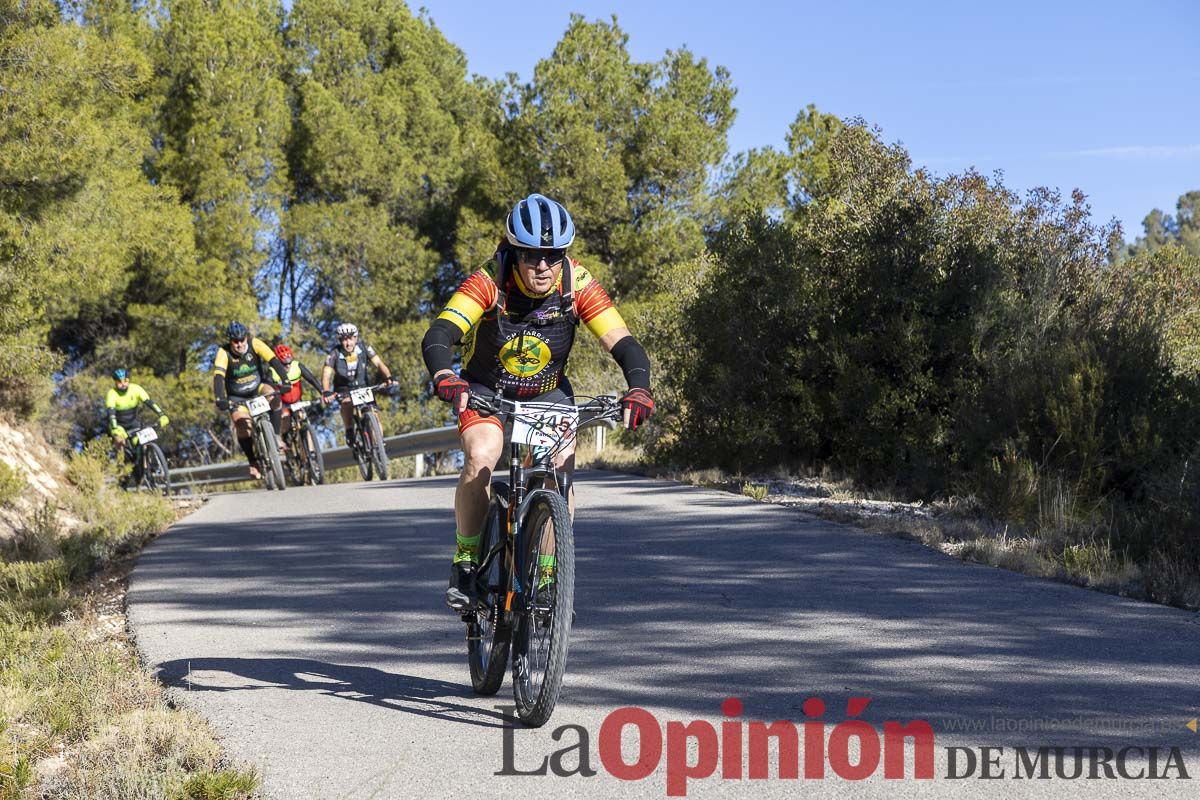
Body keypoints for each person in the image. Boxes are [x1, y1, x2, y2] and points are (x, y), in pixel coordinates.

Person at [421, 193, 655, 610]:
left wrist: (638, 386)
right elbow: (440, 334)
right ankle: (466, 562)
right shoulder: (489, 281)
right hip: (486, 389)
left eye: (553, 255)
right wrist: (445, 376)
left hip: (548, 391)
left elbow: (623, 342)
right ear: (513, 251)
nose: (543, 266)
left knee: (559, 469)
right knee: (482, 455)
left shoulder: (575, 281)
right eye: (531, 256)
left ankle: (549, 571)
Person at [212, 322, 291, 480]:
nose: (240, 344)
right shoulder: (223, 352)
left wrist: (285, 380)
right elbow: (219, 376)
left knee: (274, 396)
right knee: (242, 424)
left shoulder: (255, 343)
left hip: (258, 388)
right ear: (230, 341)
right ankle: (253, 462)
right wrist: (220, 398)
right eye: (235, 341)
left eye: (242, 340)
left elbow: (274, 361)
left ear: (246, 337)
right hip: (237, 396)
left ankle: (275, 436)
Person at [321, 323, 396, 446]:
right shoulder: (334, 353)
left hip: (363, 386)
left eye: (351, 338)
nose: (348, 343)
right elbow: (326, 374)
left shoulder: (365, 348)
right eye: (344, 340)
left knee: (374, 413)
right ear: (340, 340)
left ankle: (379, 443)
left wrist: (388, 377)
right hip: (344, 388)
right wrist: (326, 390)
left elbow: (379, 363)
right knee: (346, 403)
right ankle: (349, 429)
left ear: (356, 338)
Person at [106, 368, 168, 468]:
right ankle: (121, 467)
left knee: (144, 441)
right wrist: (115, 428)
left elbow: (149, 402)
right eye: (119, 382)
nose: (123, 384)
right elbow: (111, 413)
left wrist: (162, 415)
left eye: (125, 381)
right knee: (119, 440)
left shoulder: (136, 389)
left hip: (133, 422)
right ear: (115, 382)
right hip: (119, 425)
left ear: (128, 380)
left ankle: (145, 468)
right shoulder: (112, 393)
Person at [269, 344, 325, 440]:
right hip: (283, 403)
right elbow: (269, 387)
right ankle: (284, 438)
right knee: (285, 417)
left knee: (303, 419)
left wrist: (322, 391)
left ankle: (311, 450)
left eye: (289, 363)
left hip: (297, 400)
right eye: (285, 364)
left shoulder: (297, 366)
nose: (288, 366)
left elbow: (311, 379)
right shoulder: (273, 371)